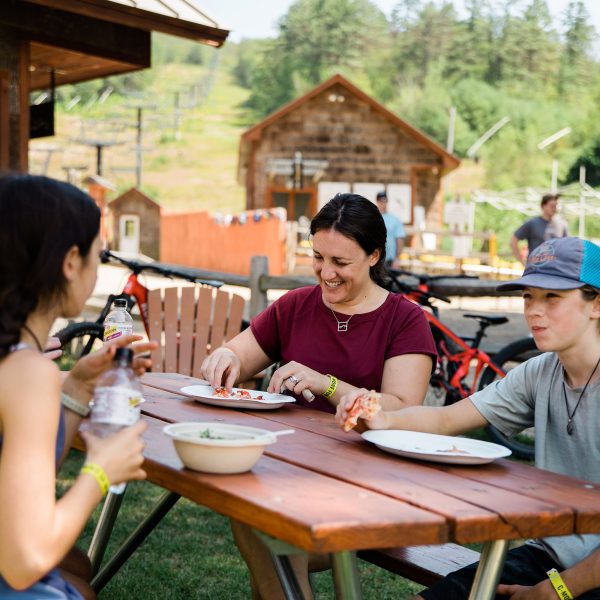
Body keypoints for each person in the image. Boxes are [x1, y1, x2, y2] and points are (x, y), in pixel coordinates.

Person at [336, 235, 600, 600]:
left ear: (596, 304)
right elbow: (446, 420)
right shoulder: (539, 372)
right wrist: (381, 419)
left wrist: (555, 591)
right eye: (528, 296)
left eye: (552, 297)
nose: (534, 310)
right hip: (549, 556)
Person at [201, 192, 437, 599]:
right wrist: (224, 356)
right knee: (256, 513)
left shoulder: (406, 319)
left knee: (259, 521)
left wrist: (326, 384)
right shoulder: (295, 306)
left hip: (375, 486)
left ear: (375, 256)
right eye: (318, 257)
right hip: (291, 474)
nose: (326, 273)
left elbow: (401, 410)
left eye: (340, 262)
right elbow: (238, 355)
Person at [0, 174, 153, 598]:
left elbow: (14, 480)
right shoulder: (28, 372)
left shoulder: (18, 364)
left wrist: (79, 388)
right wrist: (101, 471)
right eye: (97, 256)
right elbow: (23, 560)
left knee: (80, 575)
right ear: (70, 262)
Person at [510, 193, 568, 265]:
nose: (554, 209)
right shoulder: (532, 223)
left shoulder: (562, 225)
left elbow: (566, 247)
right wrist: (522, 263)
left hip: (555, 270)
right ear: (543, 206)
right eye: (552, 206)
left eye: (556, 206)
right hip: (535, 270)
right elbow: (513, 241)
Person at [376, 190, 406, 268]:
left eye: (384, 201)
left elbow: (399, 239)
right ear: (377, 202)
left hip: (389, 260)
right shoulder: (372, 218)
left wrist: (397, 258)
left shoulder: (394, 219)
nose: (382, 203)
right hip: (375, 259)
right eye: (380, 201)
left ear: (387, 202)